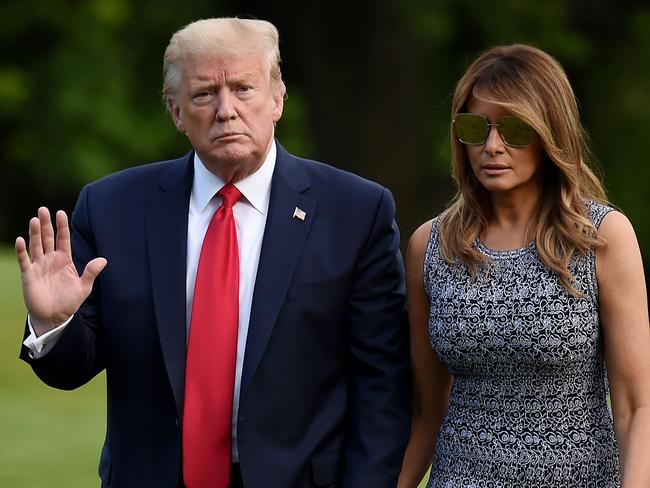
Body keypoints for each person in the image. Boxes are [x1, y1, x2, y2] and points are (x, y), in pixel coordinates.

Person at [16, 18, 410, 487]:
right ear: (176, 112)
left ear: (277, 98)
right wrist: (53, 324)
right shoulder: (111, 208)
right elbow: (71, 369)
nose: (226, 110)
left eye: (244, 88)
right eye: (204, 94)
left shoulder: (355, 212)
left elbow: (382, 386)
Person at [398, 44, 650, 487]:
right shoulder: (431, 246)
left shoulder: (601, 237)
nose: (492, 146)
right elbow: (426, 412)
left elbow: (635, 407)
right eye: (476, 127)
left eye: (514, 129)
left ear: (549, 130)